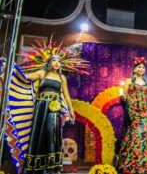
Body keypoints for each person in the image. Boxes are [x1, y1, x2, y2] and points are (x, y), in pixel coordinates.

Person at [3, 40, 89, 174]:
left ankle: (50, 166)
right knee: (40, 132)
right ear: (49, 62)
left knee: (52, 133)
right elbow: (23, 78)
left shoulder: (62, 78)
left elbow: (66, 96)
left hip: (54, 109)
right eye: (54, 61)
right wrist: (9, 69)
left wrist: (71, 111)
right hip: (41, 108)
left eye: (59, 61)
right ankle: (37, 165)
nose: (57, 63)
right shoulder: (42, 73)